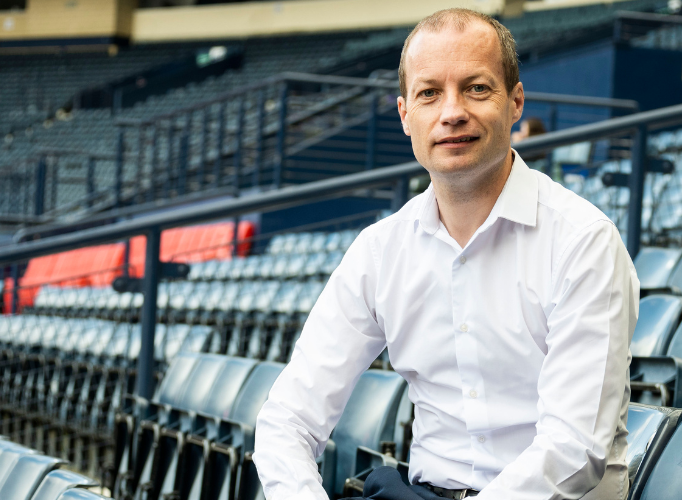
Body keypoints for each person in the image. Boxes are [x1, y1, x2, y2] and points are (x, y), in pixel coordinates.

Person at [254, 8, 638, 500]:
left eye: (476, 88)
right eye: (429, 92)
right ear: (404, 114)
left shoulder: (583, 241)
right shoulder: (379, 251)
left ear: (515, 102)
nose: (451, 111)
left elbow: (574, 449)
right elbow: (288, 419)